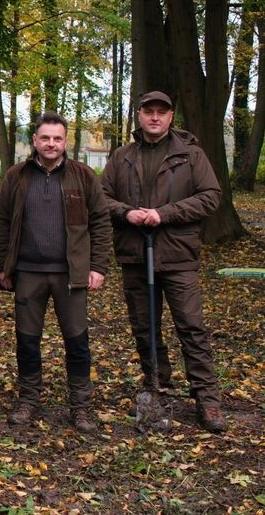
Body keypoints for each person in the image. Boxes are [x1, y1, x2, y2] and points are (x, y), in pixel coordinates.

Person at [101, 91, 226, 432]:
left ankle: (207, 398)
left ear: (171, 117)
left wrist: (164, 214)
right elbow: (102, 199)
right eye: (148, 111)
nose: (155, 117)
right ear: (139, 116)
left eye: (161, 112)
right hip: (135, 255)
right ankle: (157, 386)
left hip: (178, 255)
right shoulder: (122, 156)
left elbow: (210, 197)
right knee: (145, 327)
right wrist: (128, 214)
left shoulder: (191, 155)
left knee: (191, 326)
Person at [0, 112, 111, 433]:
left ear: (66, 141)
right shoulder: (17, 176)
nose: (51, 144)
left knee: (77, 341)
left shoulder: (83, 176)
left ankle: (80, 406)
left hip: (69, 275)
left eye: (57, 138)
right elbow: (2, 221)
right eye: (45, 138)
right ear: (34, 140)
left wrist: (97, 266)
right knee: (27, 341)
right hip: (28, 273)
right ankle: (29, 400)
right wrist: (3, 265)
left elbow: (100, 222)